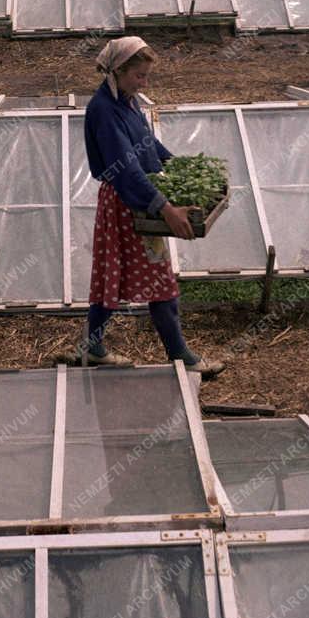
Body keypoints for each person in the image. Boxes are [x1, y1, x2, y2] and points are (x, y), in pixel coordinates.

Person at [82, 37, 225, 377]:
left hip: (137, 198)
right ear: (118, 71)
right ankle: (183, 359)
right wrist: (165, 208)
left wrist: (177, 165)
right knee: (159, 281)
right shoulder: (104, 110)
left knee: (112, 278)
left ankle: (92, 347)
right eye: (139, 76)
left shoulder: (127, 101)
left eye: (147, 76)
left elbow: (148, 144)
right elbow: (126, 169)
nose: (144, 83)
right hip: (128, 202)